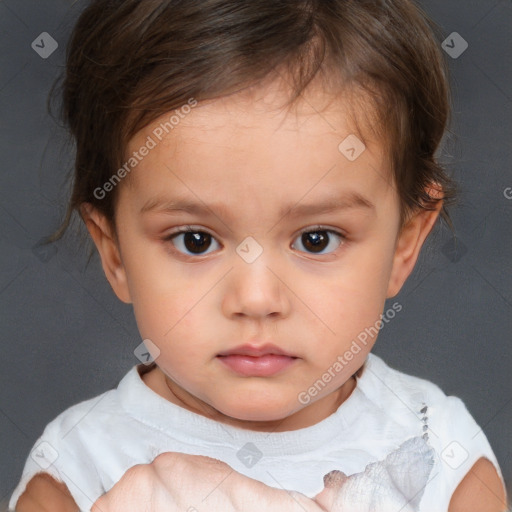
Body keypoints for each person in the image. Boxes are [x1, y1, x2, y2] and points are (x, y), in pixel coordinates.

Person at [9, 0, 508, 511]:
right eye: (195, 240)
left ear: (405, 244)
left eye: (316, 239)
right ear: (114, 251)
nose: (255, 299)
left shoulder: (442, 454)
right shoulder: (75, 472)